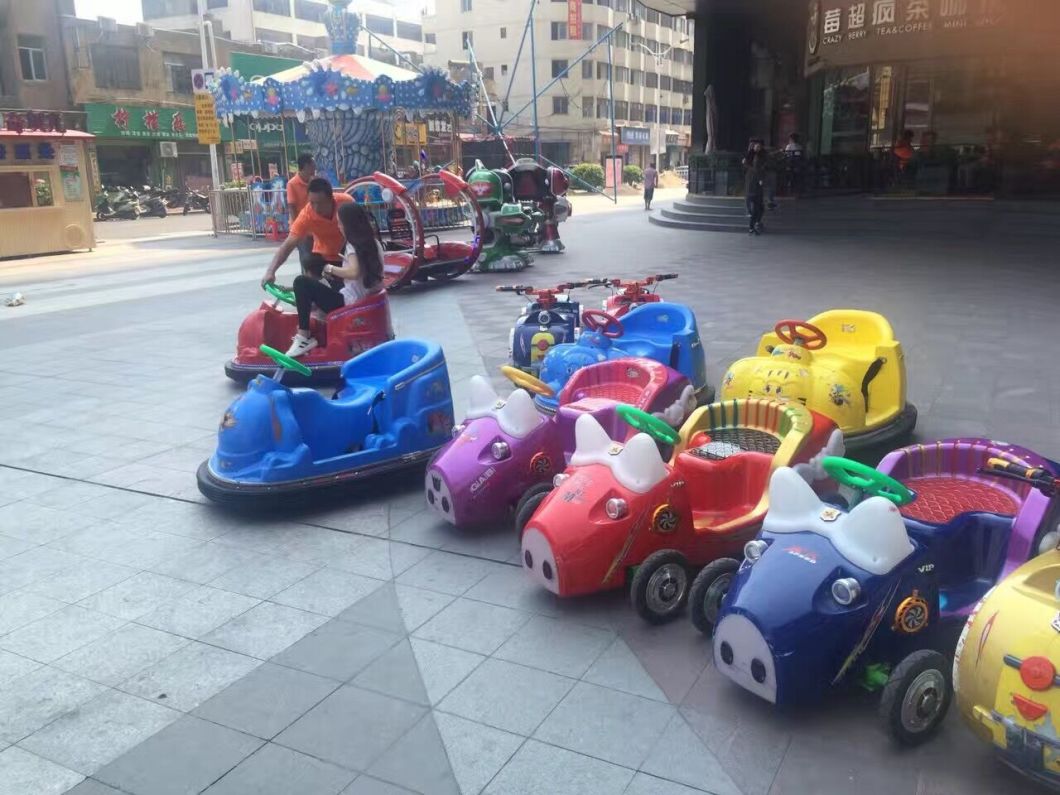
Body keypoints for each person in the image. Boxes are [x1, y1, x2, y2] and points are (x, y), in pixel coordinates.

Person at [282, 203, 386, 357]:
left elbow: (354, 272)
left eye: (340, 223)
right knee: (308, 285)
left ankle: (303, 336)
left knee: (301, 282)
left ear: (348, 225)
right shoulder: (374, 243)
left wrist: (329, 268)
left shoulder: (352, 246)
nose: (339, 227)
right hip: (362, 299)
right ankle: (306, 306)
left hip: (350, 303)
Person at [263, 176, 353, 289]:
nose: (315, 208)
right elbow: (288, 245)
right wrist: (271, 272)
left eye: (320, 203)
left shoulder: (346, 203)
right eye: (312, 203)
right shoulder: (307, 215)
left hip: (350, 256)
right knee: (309, 275)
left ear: (331, 198)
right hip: (324, 260)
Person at [286, 154, 316, 271]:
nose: (315, 166)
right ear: (306, 166)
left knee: (318, 258)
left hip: (316, 227)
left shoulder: (315, 181)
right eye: (313, 164)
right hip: (302, 228)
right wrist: (298, 229)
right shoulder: (292, 184)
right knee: (306, 258)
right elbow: (292, 207)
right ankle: (307, 285)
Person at [743, 139, 767, 235]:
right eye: (756, 146)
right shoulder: (751, 157)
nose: (757, 148)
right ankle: (752, 226)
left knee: (759, 207)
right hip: (753, 183)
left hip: (756, 183)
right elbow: (755, 169)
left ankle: (753, 225)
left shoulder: (761, 156)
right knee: (756, 206)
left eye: (759, 146)